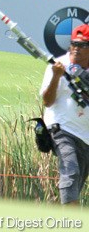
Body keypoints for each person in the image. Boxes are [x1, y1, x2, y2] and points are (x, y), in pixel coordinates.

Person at [41, 24, 89, 205]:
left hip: (85, 136)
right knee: (71, 171)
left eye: (82, 45)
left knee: (76, 183)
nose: (76, 49)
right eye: (73, 44)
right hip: (61, 128)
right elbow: (47, 101)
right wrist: (56, 76)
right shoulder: (58, 65)